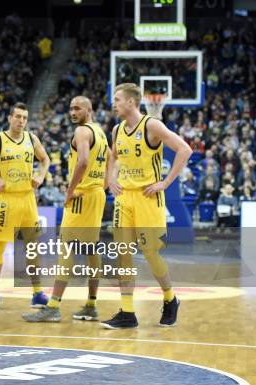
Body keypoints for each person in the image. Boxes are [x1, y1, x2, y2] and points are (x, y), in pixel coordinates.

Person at [103, 83, 191, 329]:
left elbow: (185, 149)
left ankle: (170, 299)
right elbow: (113, 156)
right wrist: (110, 179)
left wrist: (165, 182)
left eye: (118, 99)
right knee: (123, 254)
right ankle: (127, 312)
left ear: (131, 102)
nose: (114, 103)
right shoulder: (117, 129)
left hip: (148, 199)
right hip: (124, 199)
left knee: (151, 254)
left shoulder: (151, 125)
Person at [22, 96, 109, 323]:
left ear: (88, 110)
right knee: (92, 251)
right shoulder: (99, 132)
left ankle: (53, 307)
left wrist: (70, 191)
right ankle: (91, 305)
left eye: (77, 108)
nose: (72, 112)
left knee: (66, 250)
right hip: (96, 195)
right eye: (70, 108)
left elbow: (82, 162)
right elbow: (110, 159)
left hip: (82, 196)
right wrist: (104, 186)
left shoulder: (82, 132)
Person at [0, 102, 50, 310]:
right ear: (9, 118)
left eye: (24, 118)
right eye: (17, 116)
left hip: (28, 199)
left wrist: (40, 175)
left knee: (32, 248)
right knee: (0, 246)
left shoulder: (31, 139)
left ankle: (37, 293)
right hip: (6, 200)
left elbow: (45, 160)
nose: (21, 121)